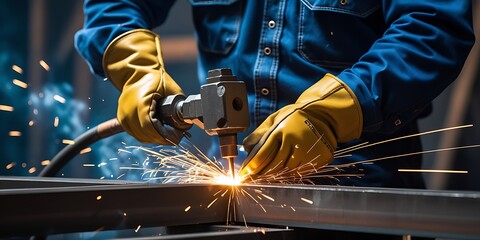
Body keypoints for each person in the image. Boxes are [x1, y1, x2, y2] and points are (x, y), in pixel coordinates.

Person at [75, 0, 474, 188]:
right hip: (230, 196)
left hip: (360, 197)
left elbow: (432, 28)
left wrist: (331, 113)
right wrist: (134, 66)